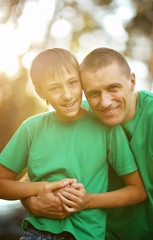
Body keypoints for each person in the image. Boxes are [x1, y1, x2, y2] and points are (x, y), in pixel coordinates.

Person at [0, 48, 146, 240]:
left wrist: (87, 201)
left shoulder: (105, 127)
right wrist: (40, 189)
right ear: (39, 91)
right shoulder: (31, 128)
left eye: (72, 83)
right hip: (37, 234)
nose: (67, 95)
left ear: (81, 83)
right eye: (55, 88)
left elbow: (137, 191)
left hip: (87, 236)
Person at [79, 47, 153, 240]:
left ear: (132, 82)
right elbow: (35, 171)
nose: (104, 102)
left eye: (113, 88)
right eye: (94, 93)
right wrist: (31, 201)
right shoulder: (80, 116)